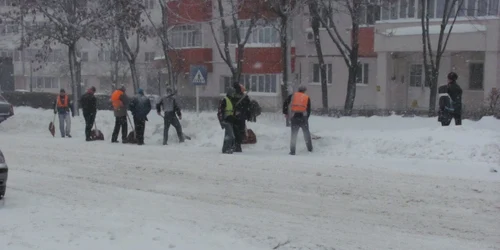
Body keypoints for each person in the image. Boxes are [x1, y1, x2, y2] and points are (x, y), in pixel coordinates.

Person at [283, 85, 313, 155]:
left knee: (293, 135)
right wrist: (306, 118)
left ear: (298, 90)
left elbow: (285, 103)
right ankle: (310, 149)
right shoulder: (306, 97)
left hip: (294, 117)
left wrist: (285, 112)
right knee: (306, 134)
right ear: (304, 90)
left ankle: (292, 151)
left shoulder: (293, 96)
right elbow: (308, 109)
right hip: (303, 118)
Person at [229, 82, 251, 152]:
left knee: (234, 131)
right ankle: (238, 145)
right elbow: (247, 105)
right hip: (241, 116)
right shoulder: (243, 96)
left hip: (234, 116)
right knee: (239, 131)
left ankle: (235, 145)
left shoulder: (232, 95)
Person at [217, 87, 236, 154]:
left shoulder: (230, 100)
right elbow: (220, 111)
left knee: (228, 135)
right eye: (233, 93)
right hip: (226, 120)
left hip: (230, 120)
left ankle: (225, 149)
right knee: (230, 135)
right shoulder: (225, 100)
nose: (234, 94)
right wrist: (222, 120)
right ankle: (227, 149)